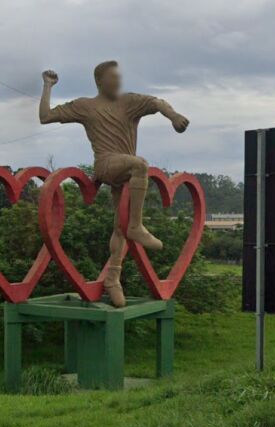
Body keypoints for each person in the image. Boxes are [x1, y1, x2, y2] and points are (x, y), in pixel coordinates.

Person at [38, 61, 189, 307]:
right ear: (100, 81)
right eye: (112, 77)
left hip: (125, 173)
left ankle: (112, 278)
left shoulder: (129, 102)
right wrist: (47, 86)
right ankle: (137, 226)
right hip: (107, 165)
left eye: (119, 77)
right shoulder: (86, 106)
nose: (118, 81)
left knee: (119, 227)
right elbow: (45, 117)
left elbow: (158, 102)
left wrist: (174, 116)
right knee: (140, 165)